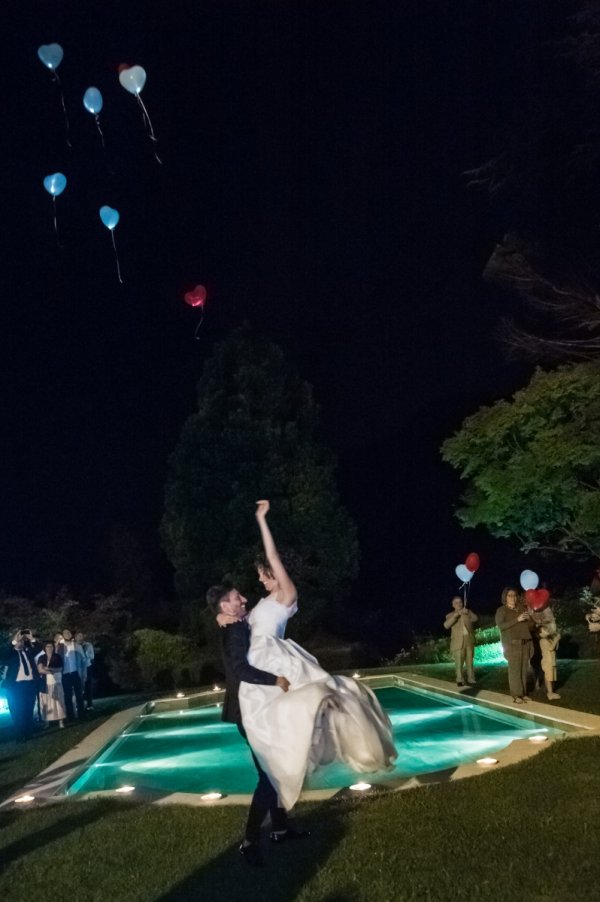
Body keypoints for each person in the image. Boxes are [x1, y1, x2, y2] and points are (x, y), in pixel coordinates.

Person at [220, 500, 397, 814]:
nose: (260, 579)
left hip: (274, 656)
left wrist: (262, 520)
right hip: (258, 659)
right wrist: (222, 619)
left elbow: (272, 555)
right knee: (267, 720)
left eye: (263, 573)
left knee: (311, 699)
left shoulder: (286, 594)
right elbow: (241, 626)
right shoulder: (261, 602)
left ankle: (284, 781)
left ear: (274, 572)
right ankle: (277, 794)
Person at [206, 584, 298, 867]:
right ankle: (249, 842)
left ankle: (280, 830)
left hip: (249, 710)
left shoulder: (232, 624)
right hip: (247, 713)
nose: (243, 599)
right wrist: (276, 680)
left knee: (272, 773)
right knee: (268, 777)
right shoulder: (233, 630)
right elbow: (240, 670)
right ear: (225, 606)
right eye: (236, 598)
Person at [495, 587, 533, 704]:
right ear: (505, 597)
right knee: (515, 671)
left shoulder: (522, 608)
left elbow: (529, 626)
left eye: (514, 595)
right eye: (510, 595)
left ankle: (523, 693)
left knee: (523, 670)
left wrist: (530, 618)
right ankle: (516, 695)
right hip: (512, 644)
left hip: (525, 642)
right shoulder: (502, 610)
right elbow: (501, 626)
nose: (513, 597)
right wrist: (517, 619)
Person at [0, 630, 39, 742]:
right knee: (17, 711)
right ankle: (20, 735)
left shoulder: (28, 652)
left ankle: (28, 733)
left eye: (22, 641)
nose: (20, 642)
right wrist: (13, 642)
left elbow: (38, 649)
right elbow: (2, 654)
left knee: (28, 709)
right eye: (18, 641)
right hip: (15, 686)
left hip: (29, 684)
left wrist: (32, 639)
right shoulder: (10, 654)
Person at [528, 603, 561, 701]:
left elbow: (555, 648)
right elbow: (551, 648)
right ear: (540, 634)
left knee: (551, 677)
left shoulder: (547, 639)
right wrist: (556, 640)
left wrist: (555, 639)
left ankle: (551, 691)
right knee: (548, 677)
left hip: (551, 661)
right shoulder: (543, 641)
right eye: (545, 630)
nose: (547, 631)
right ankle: (550, 693)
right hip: (547, 662)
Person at [443, 596, 478, 686]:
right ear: (453, 605)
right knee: (459, 661)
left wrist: (469, 613)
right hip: (458, 642)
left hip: (469, 640)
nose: (459, 604)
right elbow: (446, 625)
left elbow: (475, 619)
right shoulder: (450, 615)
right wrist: (456, 615)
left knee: (470, 661)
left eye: (460, 602)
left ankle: (471, 678)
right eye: (456, 602)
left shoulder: (467, 611)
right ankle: (459, 679)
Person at [37, 641, 66, 728]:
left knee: (58, 702)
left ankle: (61, 721)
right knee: (46, 702)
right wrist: (50, 671)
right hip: (45, 684)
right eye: (47, 646)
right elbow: (40, 670)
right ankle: (47, 722)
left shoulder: (57, 657)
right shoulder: (41, 657)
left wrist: (48, 669)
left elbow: (60, 668)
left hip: (56, 682)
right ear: (45, 648)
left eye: (51, 646)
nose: (49, 648)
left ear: (53, 648)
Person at [59, 629, 86, 720]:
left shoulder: (77, 646)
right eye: (65, 633)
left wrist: (83, 673)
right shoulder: (60, 647)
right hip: (65, 674)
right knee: (68, 696)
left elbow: (83, 660)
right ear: (62, 635)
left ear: (71, 634)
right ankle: (70, 716)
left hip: (75, 673)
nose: (67, 634)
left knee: (79, 694)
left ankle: (81, 714)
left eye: (68, 632)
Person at [75, 631, 95, 710]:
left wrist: (85, 653)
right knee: (79, 686)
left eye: (81, 636)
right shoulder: (74, 646)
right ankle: (79, 704)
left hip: (87, 666)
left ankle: (89, 704)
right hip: (78, 668)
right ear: (75, 637)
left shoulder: (88, 645)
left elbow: (92, 656)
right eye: (78, 636)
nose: (80, 637)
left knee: (88, 685)